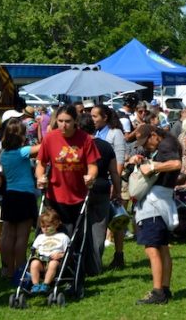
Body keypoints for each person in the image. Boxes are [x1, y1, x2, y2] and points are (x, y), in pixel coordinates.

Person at [130, 124, 182, 304]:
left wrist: (152, 167)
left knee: (152, 249)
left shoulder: (166, 144)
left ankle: (158, 292)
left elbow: (176, 164)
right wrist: (144, 159)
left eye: (146, 142)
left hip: (155, 203)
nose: (146, 146)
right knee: (163, 247)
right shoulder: (167, 143)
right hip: (164, 200)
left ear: (154, 135)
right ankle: (165, 289)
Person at [36, 105, 99, 234]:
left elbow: (92, 165)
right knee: (54, 233)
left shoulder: (85, 139)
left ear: (75, 121)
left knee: (75, 234)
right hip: (54, 195)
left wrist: (91, 176)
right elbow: (41, 163)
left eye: (67, 121)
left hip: (78, 194)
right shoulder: (50, 138)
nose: (63, 125)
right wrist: (40, 177)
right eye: (60, 121)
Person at [79, 113, 121, 275]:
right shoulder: (105, 146)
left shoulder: (79, 146)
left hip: (82, 189)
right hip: (102, 188)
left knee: (81, 228)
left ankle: (80, 265)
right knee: (99, 229)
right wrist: (117, 191)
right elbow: (114, 173)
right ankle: (95, 267)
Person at [0, 118, 41, 280]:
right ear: (20, 136)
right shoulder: (22, 152)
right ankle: (20, 269)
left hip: (9, 196)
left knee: (8, 235)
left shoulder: (4, 154)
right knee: (22, 236)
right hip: (24, 195)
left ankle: (8, 270)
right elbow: (42, 147)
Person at [29, 209, 70, 294]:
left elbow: (68, 252)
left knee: (53, 264)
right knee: (34, 263)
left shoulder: (63, 237)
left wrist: (61, 255)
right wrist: (36, 254)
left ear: (56, 225)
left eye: (48, 226)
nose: (45, 229)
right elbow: (34, 249)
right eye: (43, 227)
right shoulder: (40, 237)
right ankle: (35, 285)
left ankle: (45, 284)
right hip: (41, 261)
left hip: (56, 261)